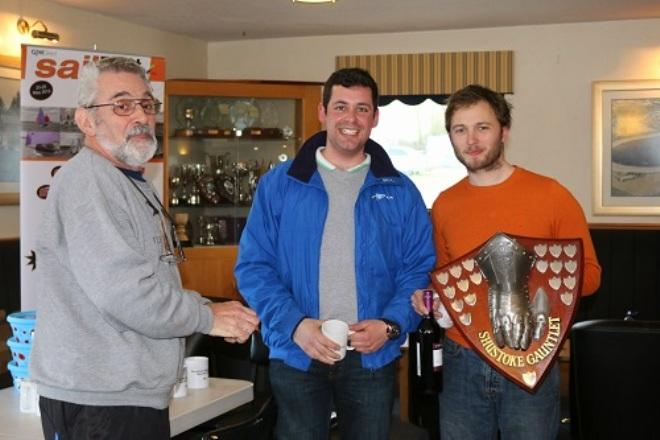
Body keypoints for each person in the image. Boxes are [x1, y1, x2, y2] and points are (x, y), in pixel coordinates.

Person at [29, 57, 259, 440]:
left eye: (146, 104)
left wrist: (211, 311)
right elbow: (127, 295)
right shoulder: (89, 182)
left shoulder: (128, 181)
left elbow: (148, 282)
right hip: (100, 402)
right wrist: (208, 318)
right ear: (86, 120)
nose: (139, 115)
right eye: (121, 105)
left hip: (124, 397)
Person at [235, 67, 435, 439]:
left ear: (375, 117)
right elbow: (253, 267)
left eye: (362, 109)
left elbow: (418, 269)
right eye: (341, 106)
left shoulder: (401, 190)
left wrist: (390, 326)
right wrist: (294, 325)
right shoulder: (280, 185)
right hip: (297, 351)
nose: (351, 118)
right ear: (322, 112)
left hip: (370, 356)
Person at [412, 84, 601, 439]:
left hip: (530, 356)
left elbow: (589, 276)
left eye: (482, 127)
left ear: (504, 131)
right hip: (460, 359)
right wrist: (429, 298)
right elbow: (442, 278)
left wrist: (524, 285)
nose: (471, 140)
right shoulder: (444, 204)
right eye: (460, 129)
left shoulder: (552, 195)